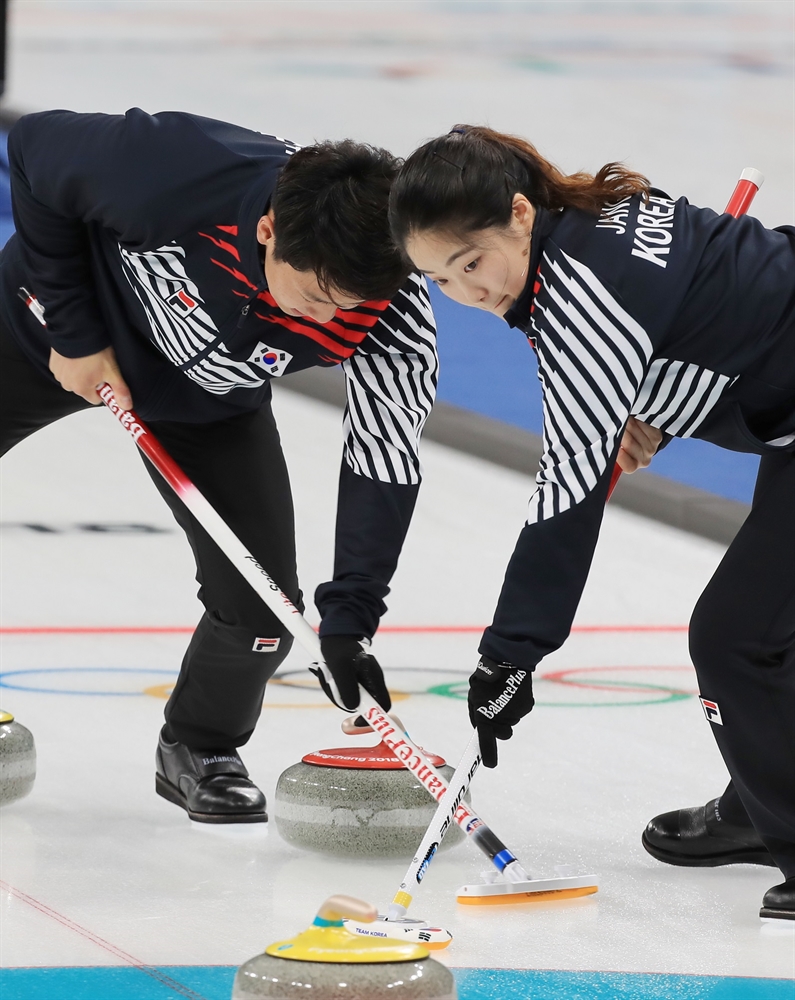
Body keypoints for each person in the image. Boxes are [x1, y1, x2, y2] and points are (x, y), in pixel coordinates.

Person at [388, 125, 795, 920]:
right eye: (440, 279)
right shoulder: (595, 216)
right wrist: (659, 404)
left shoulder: (580, 302)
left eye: (470, 264)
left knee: (737, 636)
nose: (466, 294)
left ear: (516, 214)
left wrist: (509, 657)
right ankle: (760, 800)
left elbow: (564, 498)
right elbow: (714, 315)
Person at [0, 108, 437, 824]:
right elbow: (37, 146)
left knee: (263, 607)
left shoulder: (395, 310)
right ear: (268, 231)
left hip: (210, 401)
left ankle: (199, 749)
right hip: (43, 334)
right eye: (318, 297)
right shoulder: (180, 165)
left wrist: (350, 615)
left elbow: (383, 462)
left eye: (354, 305)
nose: (330, 323)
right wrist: (73, 330)